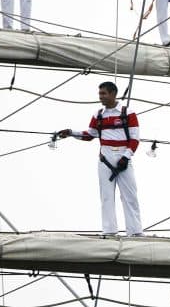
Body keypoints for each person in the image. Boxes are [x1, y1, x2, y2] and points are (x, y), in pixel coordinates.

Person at [57, 81, 142, 237]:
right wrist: (70, 132)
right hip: (105, 159)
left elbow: (135, 139)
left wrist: (126, 157)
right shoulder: (99, 115)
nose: (100, 97)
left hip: (123, 156)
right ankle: (109, 231)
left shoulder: (128, 113)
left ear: (113, 94)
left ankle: (135, 232)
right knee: (106, 196)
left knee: (130, 196)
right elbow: (89, 135)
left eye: (104, 93)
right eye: (100, 93)